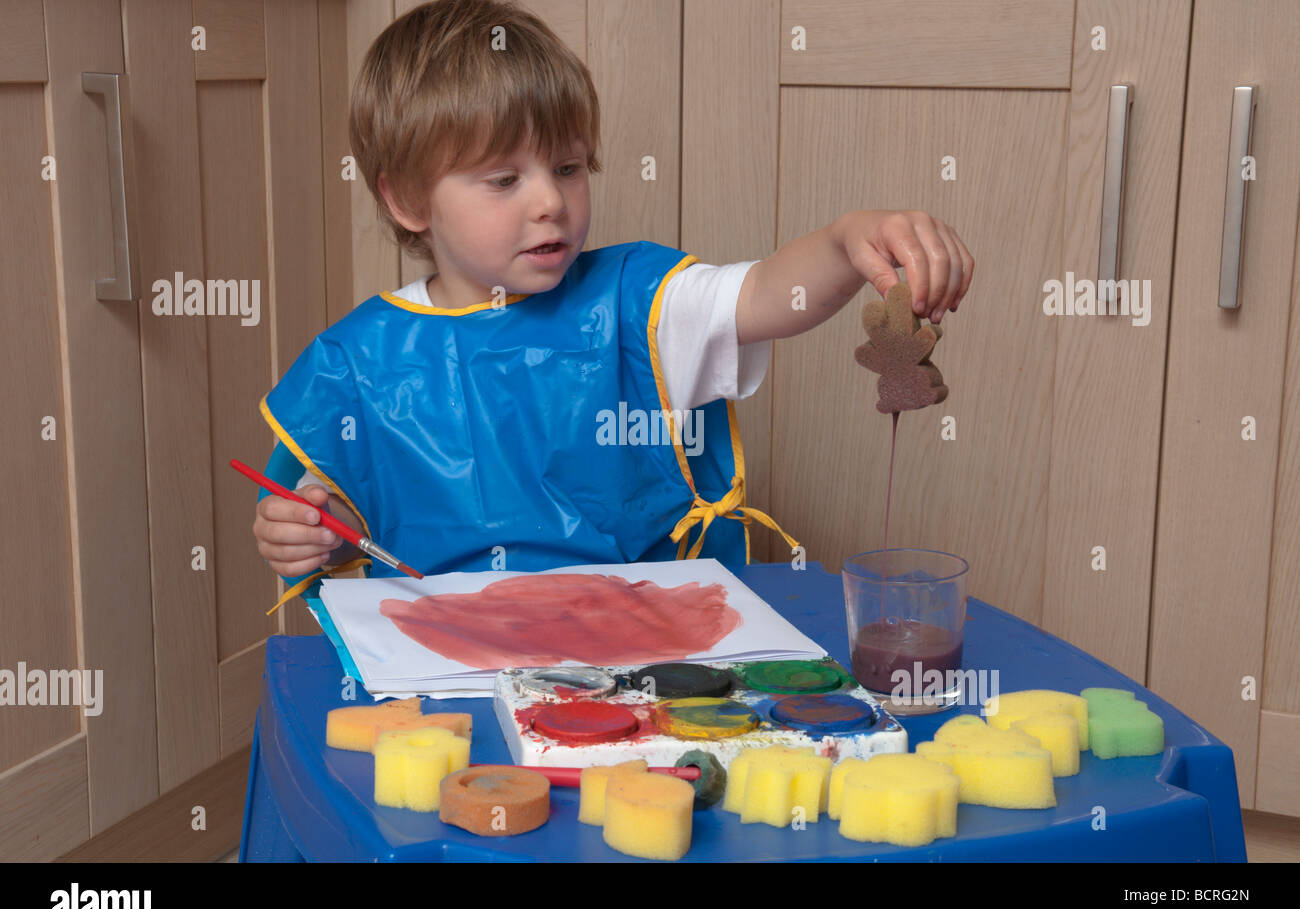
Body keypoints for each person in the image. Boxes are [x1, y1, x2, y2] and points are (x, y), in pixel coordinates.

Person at [252, 0, 973, 612]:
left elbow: (765, 295)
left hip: (644, 668)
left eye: (568, 168)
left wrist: (848, 241)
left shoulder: (638, 304)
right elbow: (313, 533)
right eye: (504, 179)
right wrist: (312, 531)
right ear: (407, 199)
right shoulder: (354, 362)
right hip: (450, 682)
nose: (550, 202)